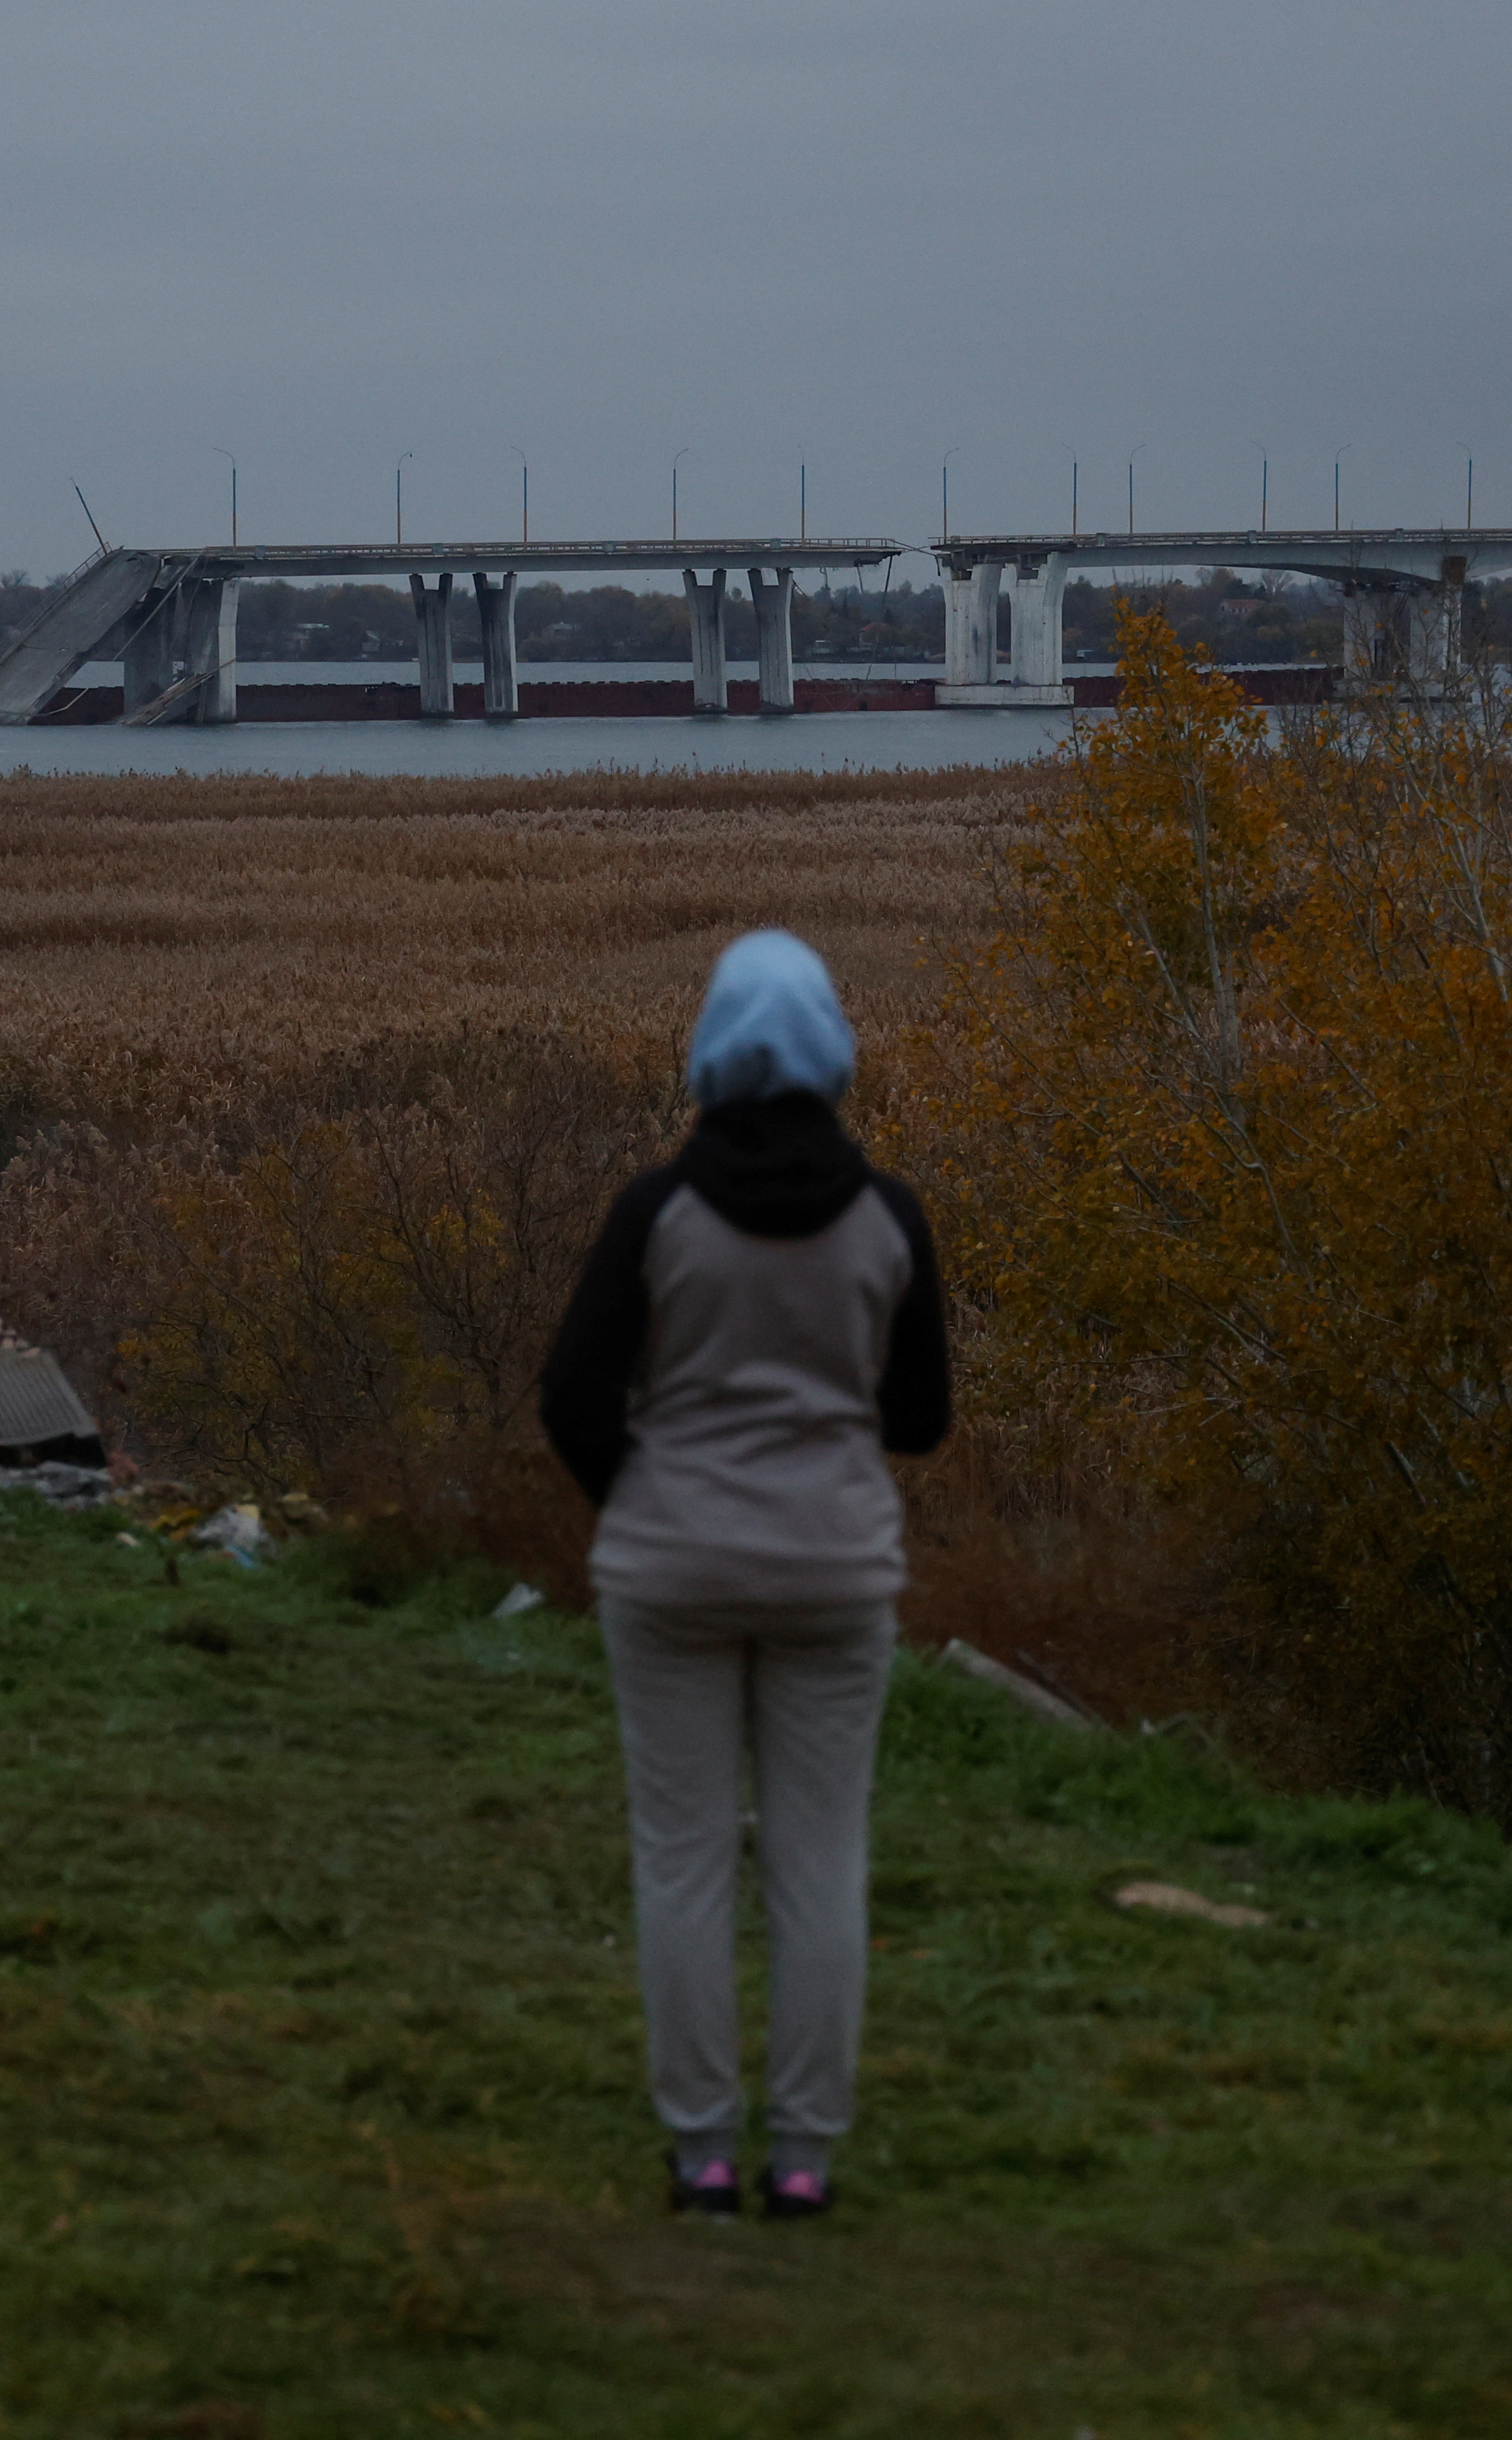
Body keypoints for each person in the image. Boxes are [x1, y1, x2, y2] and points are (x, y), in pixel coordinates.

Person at [537, 928, 951, 2222]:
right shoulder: (889, 1217)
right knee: (821, 1862)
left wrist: (651, 1495)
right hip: (834, 1571)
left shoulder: (655, 1213)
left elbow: (571, 1395)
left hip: (671, 1569)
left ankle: (705, 2149)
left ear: (709, 1052)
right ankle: (809, 2156)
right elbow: (922, 1415)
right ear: (833, 1049)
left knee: (684, 1857)